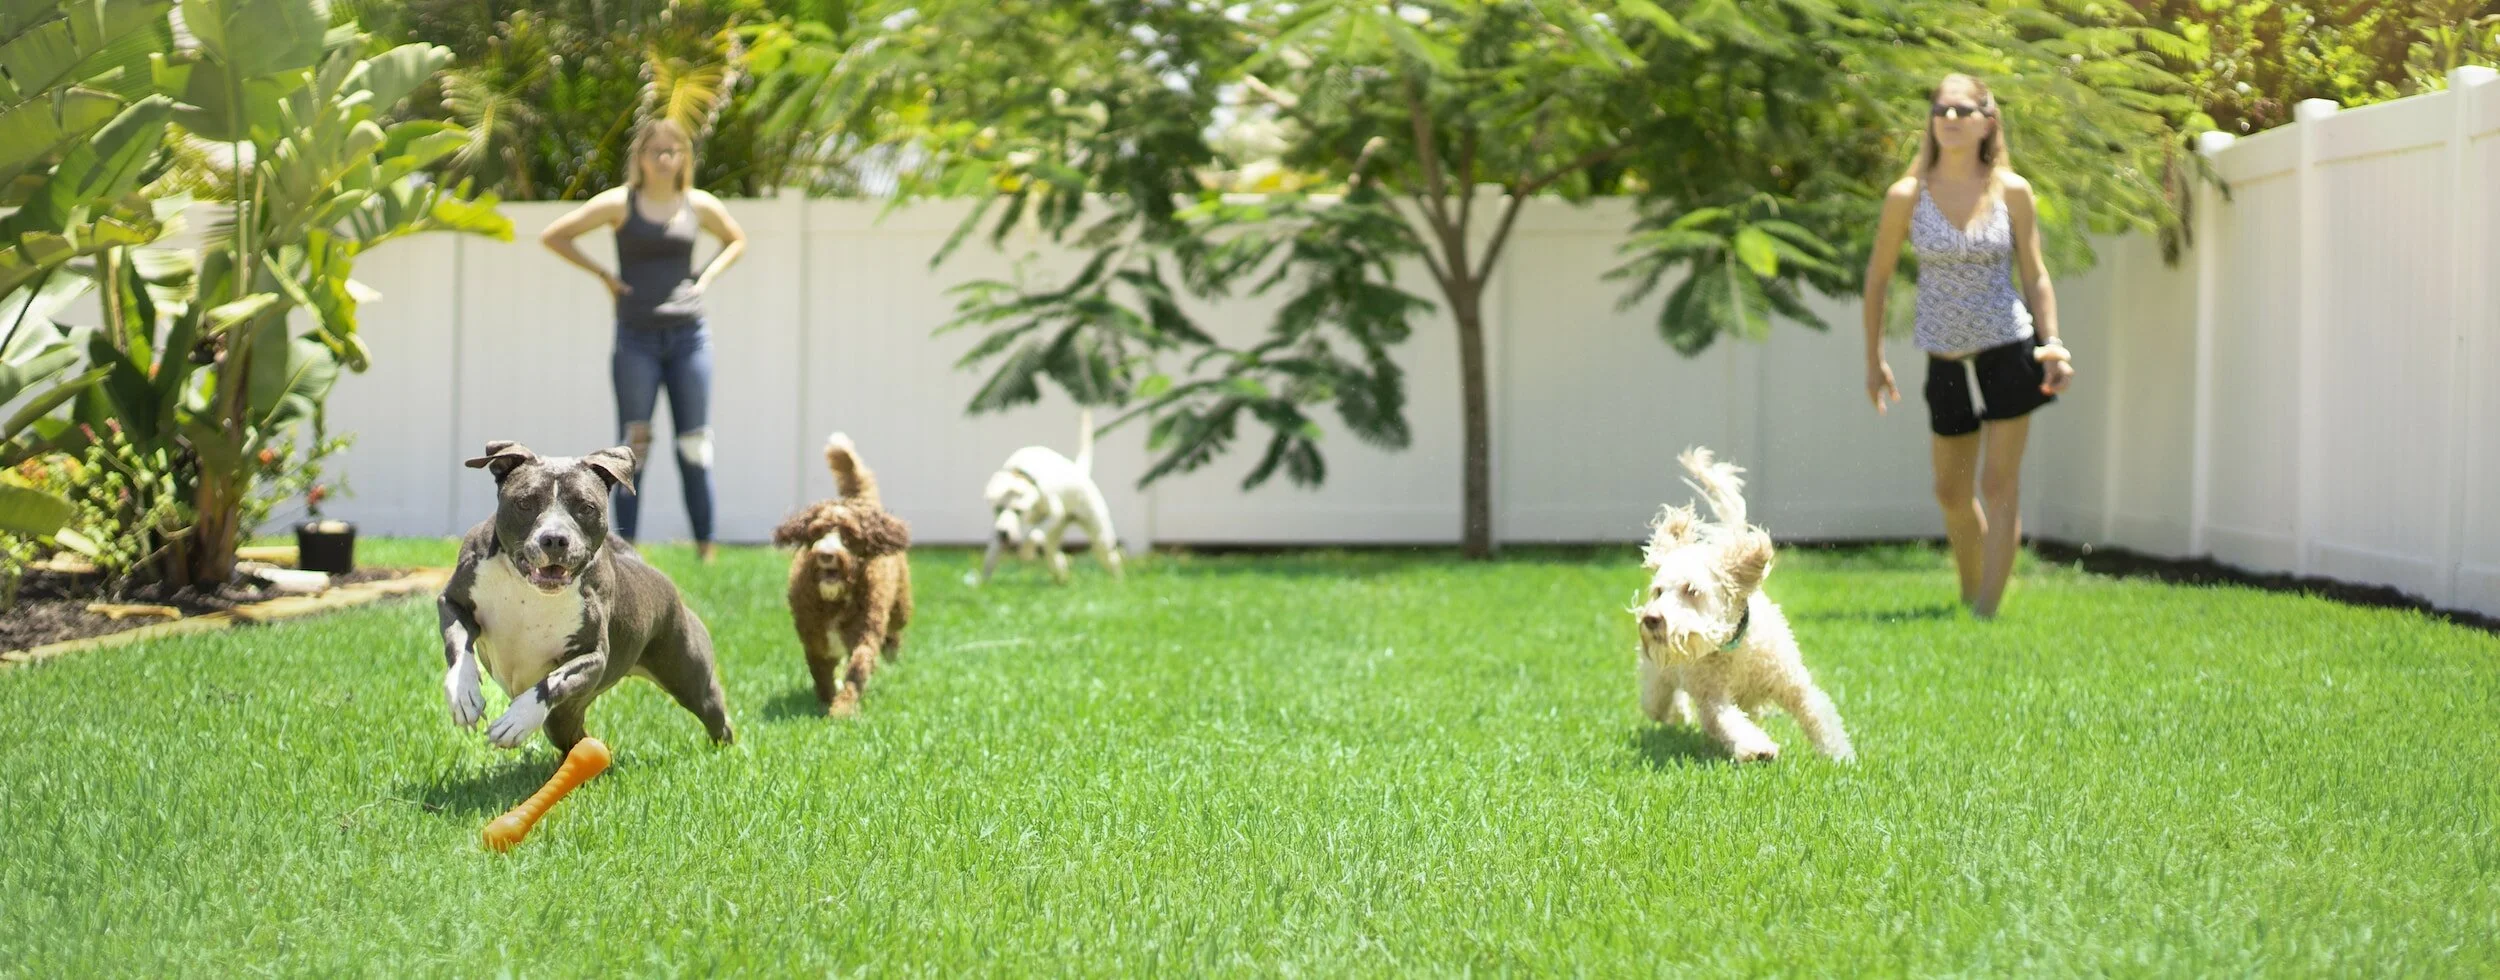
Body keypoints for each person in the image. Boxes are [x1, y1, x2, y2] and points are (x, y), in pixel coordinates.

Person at [1861, 73, 2077, 619]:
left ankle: (1986, 610)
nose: (1950, 120)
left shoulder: (2012, 191)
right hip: (1944, 355)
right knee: (1951, 494)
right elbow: (1878, 279)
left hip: (2008, 348)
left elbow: (2036, 275)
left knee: (1999, 484)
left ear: (1988, 121)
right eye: (1941, 110)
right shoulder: (1907, 196)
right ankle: (1970, 588)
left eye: (1963, 111)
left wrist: (2052, 344)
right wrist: (1874, 359)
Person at [540, 118, 748, 562]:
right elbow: (555, 236)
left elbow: (736, 240)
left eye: (674, 151)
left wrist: (706, 277)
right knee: (633, 449)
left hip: (689, 337)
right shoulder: (621, 204)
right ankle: (625, 551)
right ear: (640, 158)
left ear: (684, 159)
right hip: (636, 338)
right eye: (656, 150)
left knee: (695, 445)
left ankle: (706, 550)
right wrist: (605, 276)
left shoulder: (697, 205)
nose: (665, 158)